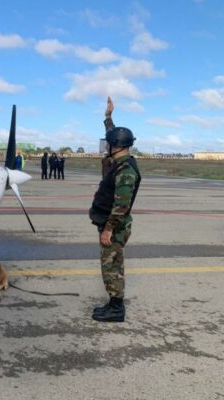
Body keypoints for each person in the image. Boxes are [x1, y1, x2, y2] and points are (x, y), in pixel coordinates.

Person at [88, 96, 141, 323]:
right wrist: (108, 117)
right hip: (109, 222)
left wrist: (108, 229)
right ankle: (113, 303)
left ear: (117, 145)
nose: (107, 145)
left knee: (112, 267)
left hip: (115, 226)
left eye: (110, 142)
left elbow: (121, 206)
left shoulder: (126, 170)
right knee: (111, 265)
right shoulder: (119, 161)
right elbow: (114, 133)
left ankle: (117, 309)